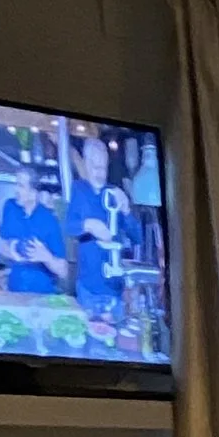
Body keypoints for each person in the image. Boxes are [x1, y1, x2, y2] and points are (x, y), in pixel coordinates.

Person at [65, 128, 129, 328]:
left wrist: (126, 209)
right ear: (85, 164)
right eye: (95, 167)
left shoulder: (115, 194)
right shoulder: (79, 190)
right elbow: (69, 227)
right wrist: (88, 225)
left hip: (114, 293)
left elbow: (137, 236)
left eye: (104, 167)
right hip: (88, 291)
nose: (100, 173)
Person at [0, 161, 65, 294]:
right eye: (16, 184)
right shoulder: (10, 208)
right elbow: (2, 246)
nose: (16, 190)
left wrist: (47, 257)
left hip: (42, 296)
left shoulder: (49, 221)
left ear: (34, 193)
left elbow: (63, 271)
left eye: (21, 186)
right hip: (15, 292)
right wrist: (13, 250)